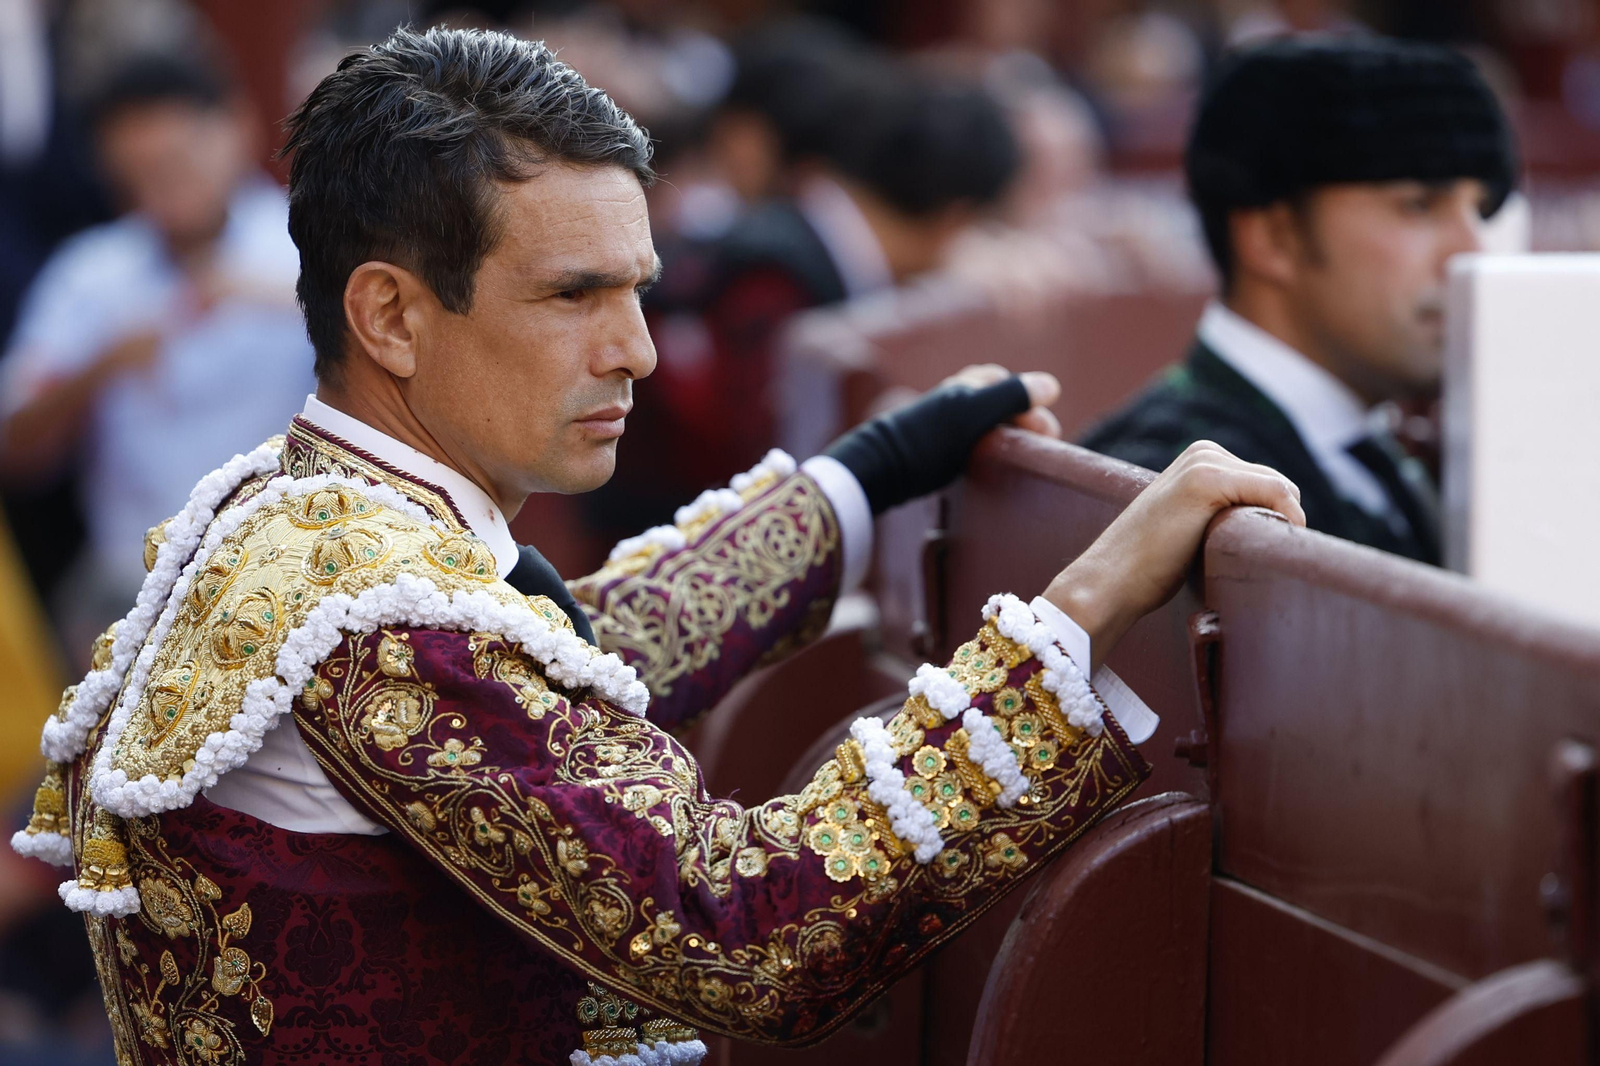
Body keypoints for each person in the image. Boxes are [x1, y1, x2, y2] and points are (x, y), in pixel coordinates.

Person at [11, 28, 1302, 1065]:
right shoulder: (383, 619)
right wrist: (1090, 600)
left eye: (638, 286)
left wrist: (865, 477)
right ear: (393, 316)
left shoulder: (294, 513)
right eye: (576, 295)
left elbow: (576, 650)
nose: (633, 346)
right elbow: (748, 931)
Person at [1082, 37, 1518, 565]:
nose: (1472, 252)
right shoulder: (1155, 480)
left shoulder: (1379, 448)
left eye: (1481, 211)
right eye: (1419, 206)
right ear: (1274, 238)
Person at [0, 54, 314, 660]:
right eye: (136, 176)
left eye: (176, 163)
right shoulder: (92, 276)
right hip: (132, 589)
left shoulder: (309, 246)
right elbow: (15, 443)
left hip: (290, 572)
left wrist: (288, 301)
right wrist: (102, 364)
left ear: (234, 130)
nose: (163, 193)